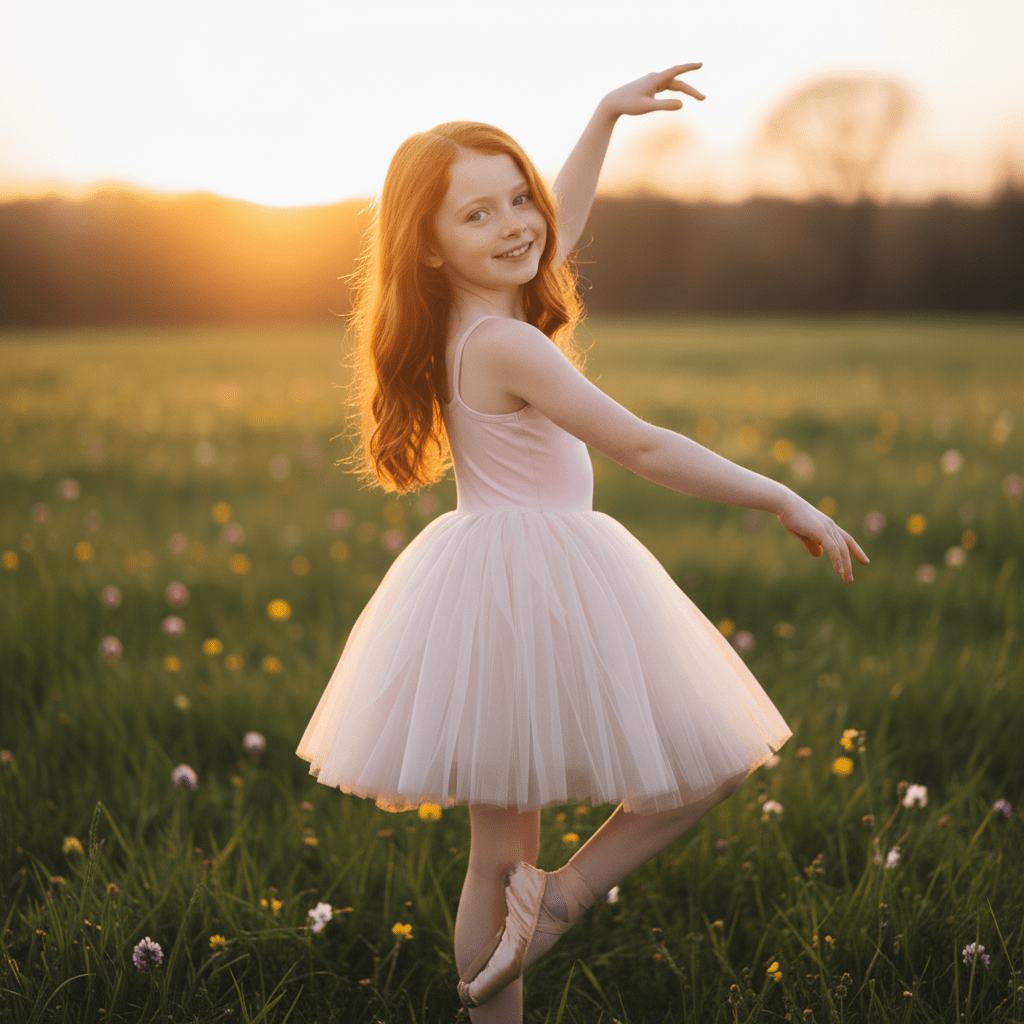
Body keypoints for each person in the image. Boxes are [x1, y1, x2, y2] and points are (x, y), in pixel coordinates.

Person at [296, 65, 868, 1022]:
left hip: (491, 575)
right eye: (476, 215)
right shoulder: (510, 345)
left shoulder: (471, 318)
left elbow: (552, 217)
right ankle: (567, 894)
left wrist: (602, 118)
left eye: (517, 197)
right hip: (537, 572)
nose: (516, 224)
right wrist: (784, 498)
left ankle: (520, 952)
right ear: (429, 247)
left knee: (497, 855)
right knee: (713, 758)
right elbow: (642, 444)